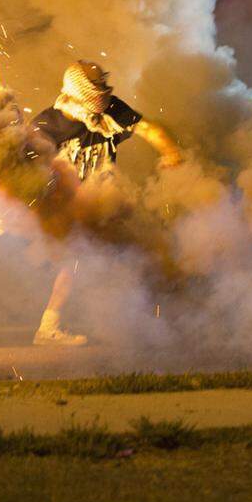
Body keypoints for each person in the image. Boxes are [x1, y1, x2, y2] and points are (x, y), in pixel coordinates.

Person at [28, 60, 183, 345]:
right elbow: (23, 163)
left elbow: (148, 129)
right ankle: (49, 327)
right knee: (76, 259)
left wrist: (170, 152)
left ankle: (145, 324)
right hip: (67, 204)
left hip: (104, 199)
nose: (101, 97)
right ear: (76, 92)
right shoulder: (49, 123)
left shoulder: (111, 112)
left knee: (138, 248)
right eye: (94, 91)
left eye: (102, 90)